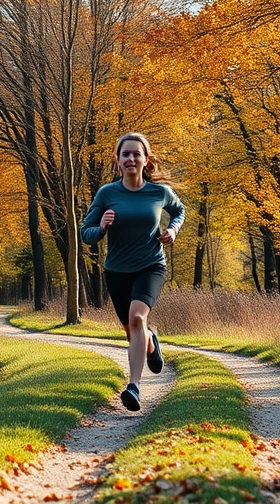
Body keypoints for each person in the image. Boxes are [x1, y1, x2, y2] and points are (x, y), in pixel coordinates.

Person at [81, 132, 185, 412]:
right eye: (125, 154)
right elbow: (85, 234)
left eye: (136, 154)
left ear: (145, 160)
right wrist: (101, 227)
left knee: (137, 317)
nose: (131, 159)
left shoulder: (159, 193)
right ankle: (151, 343)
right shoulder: (107, 193)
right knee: (132, 330)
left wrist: (172, 230)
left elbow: (179, 211)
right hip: (117, 272)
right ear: (118, 161)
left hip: (151, 265)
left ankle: (134, 387)